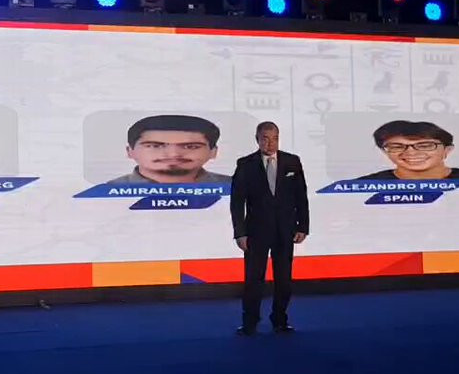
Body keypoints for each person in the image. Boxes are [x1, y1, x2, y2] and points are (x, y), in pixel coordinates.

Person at [230, 121, 309, 335]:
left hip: (285, 230)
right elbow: (237, 202)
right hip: (256, 232)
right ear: (257, 139)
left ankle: (280, 320)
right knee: (253, 279)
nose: (270, 143)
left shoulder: (292, 162)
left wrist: (303, 226)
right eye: (265, 138)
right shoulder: (246, 164)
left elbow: (301, 196)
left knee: (284, 279)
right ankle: (250, 322)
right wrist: (240, 233)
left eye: (274, 138)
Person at [106, 114, 230, 184]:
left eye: (190, 146)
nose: (173, 154)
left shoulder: (234, 187)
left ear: (213, 152)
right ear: (130, 151)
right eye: (155, 146)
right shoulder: (106, 191)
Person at [356, 120, 459, 180]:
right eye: (397, 146)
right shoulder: (361, 185)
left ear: (447, 150)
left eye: (425, 145)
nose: (411, 152)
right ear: (384, 151)